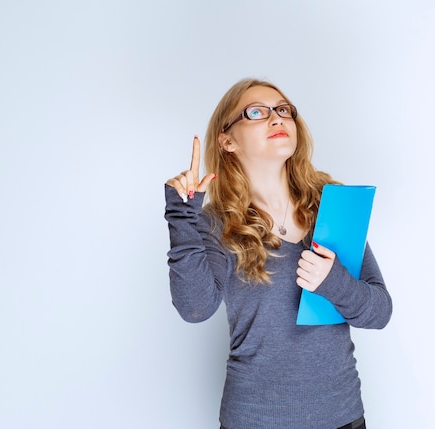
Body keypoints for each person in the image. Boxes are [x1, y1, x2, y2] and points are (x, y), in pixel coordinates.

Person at [164, 78, 392, 429]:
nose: (276, 118)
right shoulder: (217, 224)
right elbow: (195, 308)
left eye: (283, 110)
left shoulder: (332, 206)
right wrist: (182, 215)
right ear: (227, 141)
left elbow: (379, 312)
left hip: (342, 417)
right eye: (256, 112)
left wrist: (333, 282)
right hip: (254, 421)